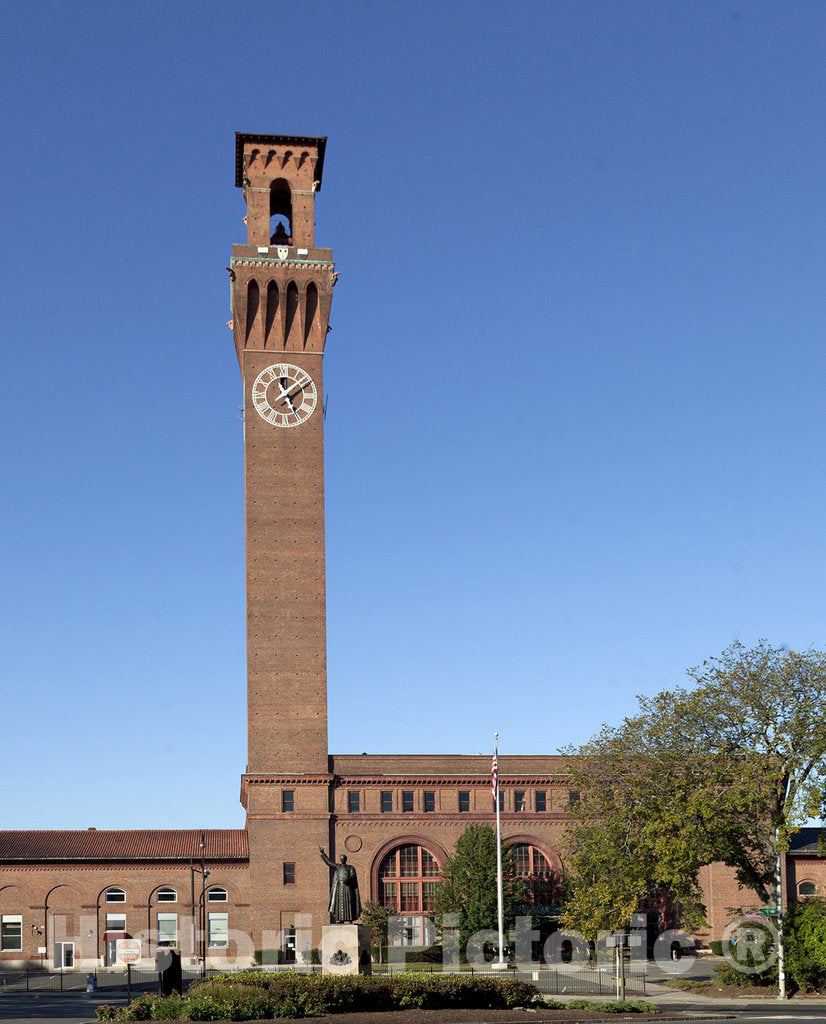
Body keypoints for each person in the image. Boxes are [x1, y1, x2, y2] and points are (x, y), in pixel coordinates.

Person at [319, 848, 361, 924]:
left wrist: (347, 880)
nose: (342, 860)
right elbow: (329, 863)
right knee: (339, 903)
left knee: (348, 902)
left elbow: (353, 876)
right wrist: (323, 854)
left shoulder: (350, 867)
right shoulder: (338, 867)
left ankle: (349, 918)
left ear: (346, 859)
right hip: (339, 888)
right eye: (341, 858)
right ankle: (340, 919)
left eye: (343, 858)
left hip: (348, 888)